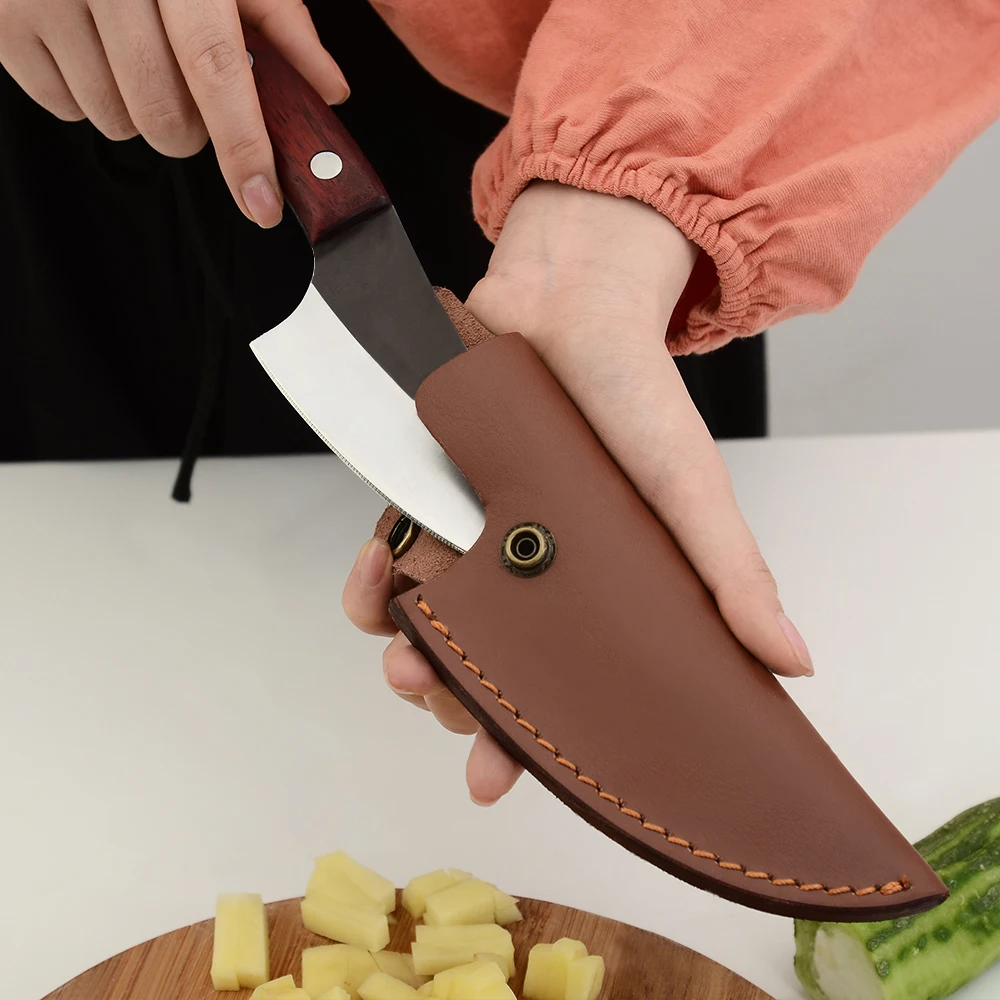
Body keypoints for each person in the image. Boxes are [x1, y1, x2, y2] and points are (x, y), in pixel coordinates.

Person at [2, 0, 998, 803]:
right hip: (74, 110)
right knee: (84, 659)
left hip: (613, 110)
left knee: (641, 617)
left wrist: (638, 175)